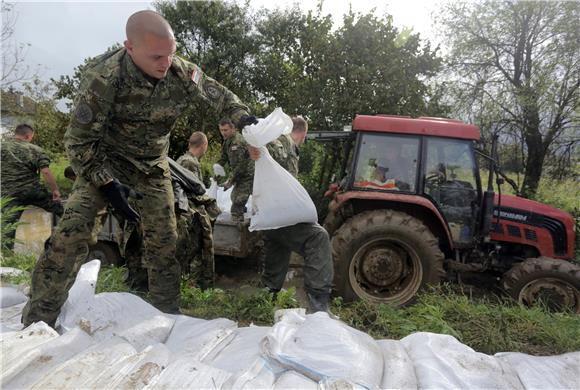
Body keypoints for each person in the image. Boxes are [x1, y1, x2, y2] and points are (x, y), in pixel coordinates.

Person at [22, 10, 256, 328]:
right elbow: (77, 144)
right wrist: (107, 185)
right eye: (157, 56)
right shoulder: (104, 78)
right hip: (105, 160)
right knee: (71, 235)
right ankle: (38, 320)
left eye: (171, 54)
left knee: (165, 243)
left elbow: (221, 96)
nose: (166, 63)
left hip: (152, 165)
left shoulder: (180, 71)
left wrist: (243, 117)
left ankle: (165, 317)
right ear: (129, 47)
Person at [248, 117, 334, 313]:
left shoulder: (285, 144)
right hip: (280, 213)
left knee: (278, 248)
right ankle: (318, 304)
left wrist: (255, 145)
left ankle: (265, 301)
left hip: (272, 215)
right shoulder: (285, 141)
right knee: (318, 237)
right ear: (303, 134)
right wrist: (255, 146)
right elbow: (271, 145)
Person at [0, 124, 64, 250]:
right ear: (28, 136)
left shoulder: (1, 147)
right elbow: (45, 172)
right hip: (33, 191)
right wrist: (55, 190)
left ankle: (6, 257)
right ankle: (74, 235)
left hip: (9, 194)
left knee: (8, 227)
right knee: (61, 210)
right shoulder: (35, 149)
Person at [176, 131, 220, 288]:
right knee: (195, 252)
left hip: (185, 212)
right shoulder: (190, 163)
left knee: (188, 252)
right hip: (190, 214)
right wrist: (212, 205)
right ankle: (193, 286)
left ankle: (188, 285)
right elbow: (194, 192)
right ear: (204, 146)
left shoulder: (182, 159)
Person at [217, 118, 254, 222]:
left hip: (248, 175)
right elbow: (223, 157)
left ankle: (239, 231)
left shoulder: (237, 142)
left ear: (233, 129)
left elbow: (241, 166)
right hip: (239, 175)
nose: (223, 133)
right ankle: (242, 212)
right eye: (221, 130)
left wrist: (230, 181)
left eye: (225, 130)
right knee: (234, 198)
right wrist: (217, 168)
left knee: (237, 204)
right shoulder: (227, 141)